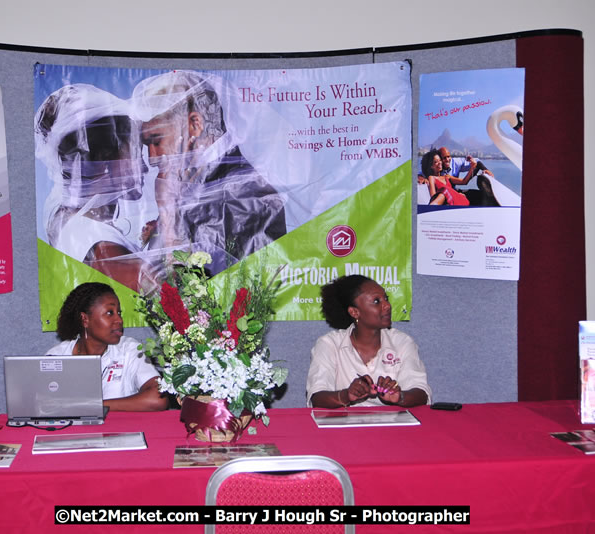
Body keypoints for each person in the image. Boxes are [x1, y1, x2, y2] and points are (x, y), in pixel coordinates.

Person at [132, 70, 287, 274]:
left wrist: (169, 219)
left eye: (156, 140)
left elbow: (242, 294)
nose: (151, 158)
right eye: (146, 145)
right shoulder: (188, 183)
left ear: (195, 125)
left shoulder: (247, 197)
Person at [35, 84, 155, 291]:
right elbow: (172, 305)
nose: (145, 166)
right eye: (136, 153)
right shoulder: (100, 246)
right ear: (104, 161)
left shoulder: (70, 220)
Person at [306, 275, 431, 408]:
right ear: (354, 312)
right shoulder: (329, 344)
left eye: (386, 299)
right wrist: (346, 395)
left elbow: (421, 393)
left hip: (393, 426)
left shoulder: (402, 342)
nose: (387, 306)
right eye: (377, 301)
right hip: (344, 427)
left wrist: (399, 397)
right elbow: (317, 398)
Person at [47, 282, 167, 411]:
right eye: (110, 313)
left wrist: (93, 406)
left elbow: (158, 399)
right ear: (85, 319)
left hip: (121, 430)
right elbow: (41, 405)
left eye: (119, 313)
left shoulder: (130, 349)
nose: (119, 320)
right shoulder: (57, 356)